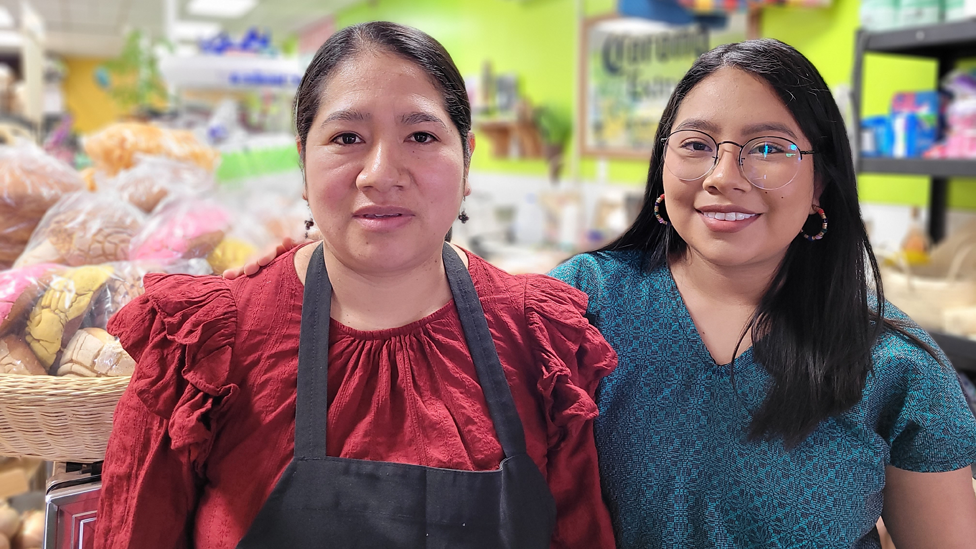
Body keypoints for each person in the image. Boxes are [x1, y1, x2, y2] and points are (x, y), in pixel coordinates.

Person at [237, 38, 976, 548]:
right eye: (695, 144)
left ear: (823, 186)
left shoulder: (898, 367)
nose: (724, 174)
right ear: (662, 173)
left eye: (769, 147)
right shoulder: (576, 306)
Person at [94, 22, 616, 549]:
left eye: (421, 136)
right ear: (303, 162)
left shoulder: (539, 339)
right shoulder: (203, 347)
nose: (381, 173)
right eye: (347, 138)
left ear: (467, 159)